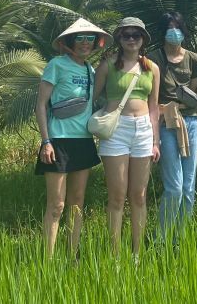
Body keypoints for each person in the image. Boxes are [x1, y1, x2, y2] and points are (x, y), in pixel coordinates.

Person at [34, 18, 107, 257]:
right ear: (70, 42)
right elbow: (41, 105)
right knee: (56, 205)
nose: (85, 43)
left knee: (77, 203)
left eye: (89, 39)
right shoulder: (57, 64)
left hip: (84, 141)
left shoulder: (91, 70)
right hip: (59, 141)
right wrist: (46, 141)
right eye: (80, 38)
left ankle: (73, 255)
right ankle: (48, 261)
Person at [93, 17, 160, 256]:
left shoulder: (151, 67)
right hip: (116, 130)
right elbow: (93, 98)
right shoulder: (108, 65)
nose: (131, 39)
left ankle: (137, 253)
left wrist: (155, 140)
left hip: (143, 130)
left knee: (139, 196)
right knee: (117, 196)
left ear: (143, 39)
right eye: (126, 35)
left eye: (136, 35)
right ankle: (115, 255)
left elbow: (154, 107)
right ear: (119, 38)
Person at [148, 12, 197, 240]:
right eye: (169, 27)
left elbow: (194, 95)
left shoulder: (194, 59)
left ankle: (181, 238)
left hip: (191, 122)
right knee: (174, 187)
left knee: (189, 186)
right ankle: (161, 238)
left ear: (184, 31)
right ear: (162, 32)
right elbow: (150, 95)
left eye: (177, 27)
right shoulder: (152, 59)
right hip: (165, 123)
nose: (174, 31)